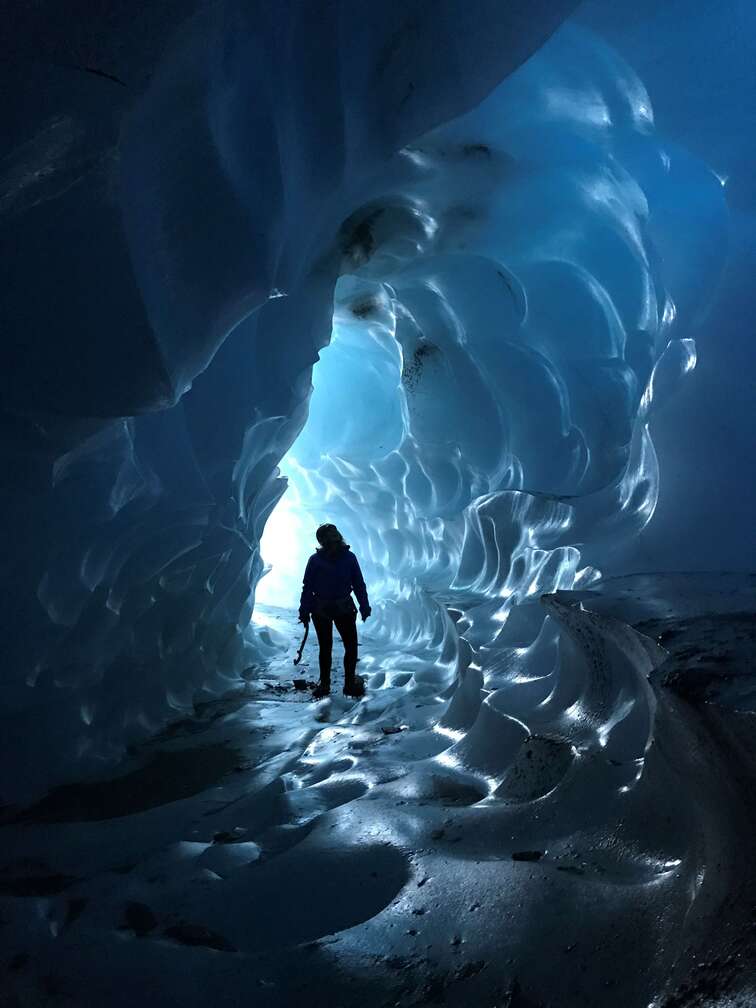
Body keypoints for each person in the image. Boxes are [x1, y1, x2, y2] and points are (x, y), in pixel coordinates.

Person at [298, 523, 371, 699]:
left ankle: (345, 684)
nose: (334, 536)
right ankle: (326, 684)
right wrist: (304, 610)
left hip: (339, 607)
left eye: (335, 532)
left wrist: (364, 605)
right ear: (322, 540)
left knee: (350, 646)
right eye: (329, 534)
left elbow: (358, 583)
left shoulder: (348, 558)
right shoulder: (315, 560)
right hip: (325, 608)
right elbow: (307, 587)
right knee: (327, 647)